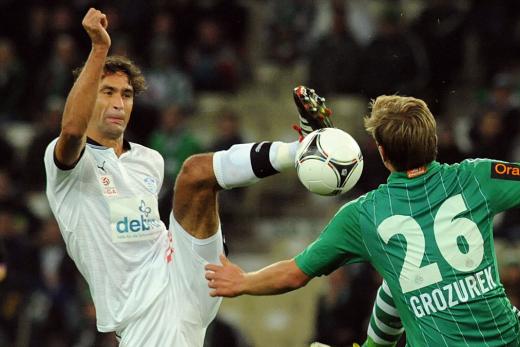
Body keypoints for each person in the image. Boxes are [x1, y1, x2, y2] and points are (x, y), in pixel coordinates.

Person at [44, 8, 330, 346]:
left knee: (196, 173)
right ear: (87, 95)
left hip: (184, 272)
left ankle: (302, 147)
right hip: (140, 315)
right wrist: (98, 49)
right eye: (107, 92)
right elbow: (73, 129)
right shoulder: (66, 163)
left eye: (126, 94)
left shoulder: (148, 159)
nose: (119, 102)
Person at [206, 95, 520, 346]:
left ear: (382, 153)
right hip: (507, 340)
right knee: (394, 286)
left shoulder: (364, 214)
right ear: (434, 139)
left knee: (400, 281)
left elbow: (294, 274)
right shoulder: (477, 176)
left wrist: (242, 282)